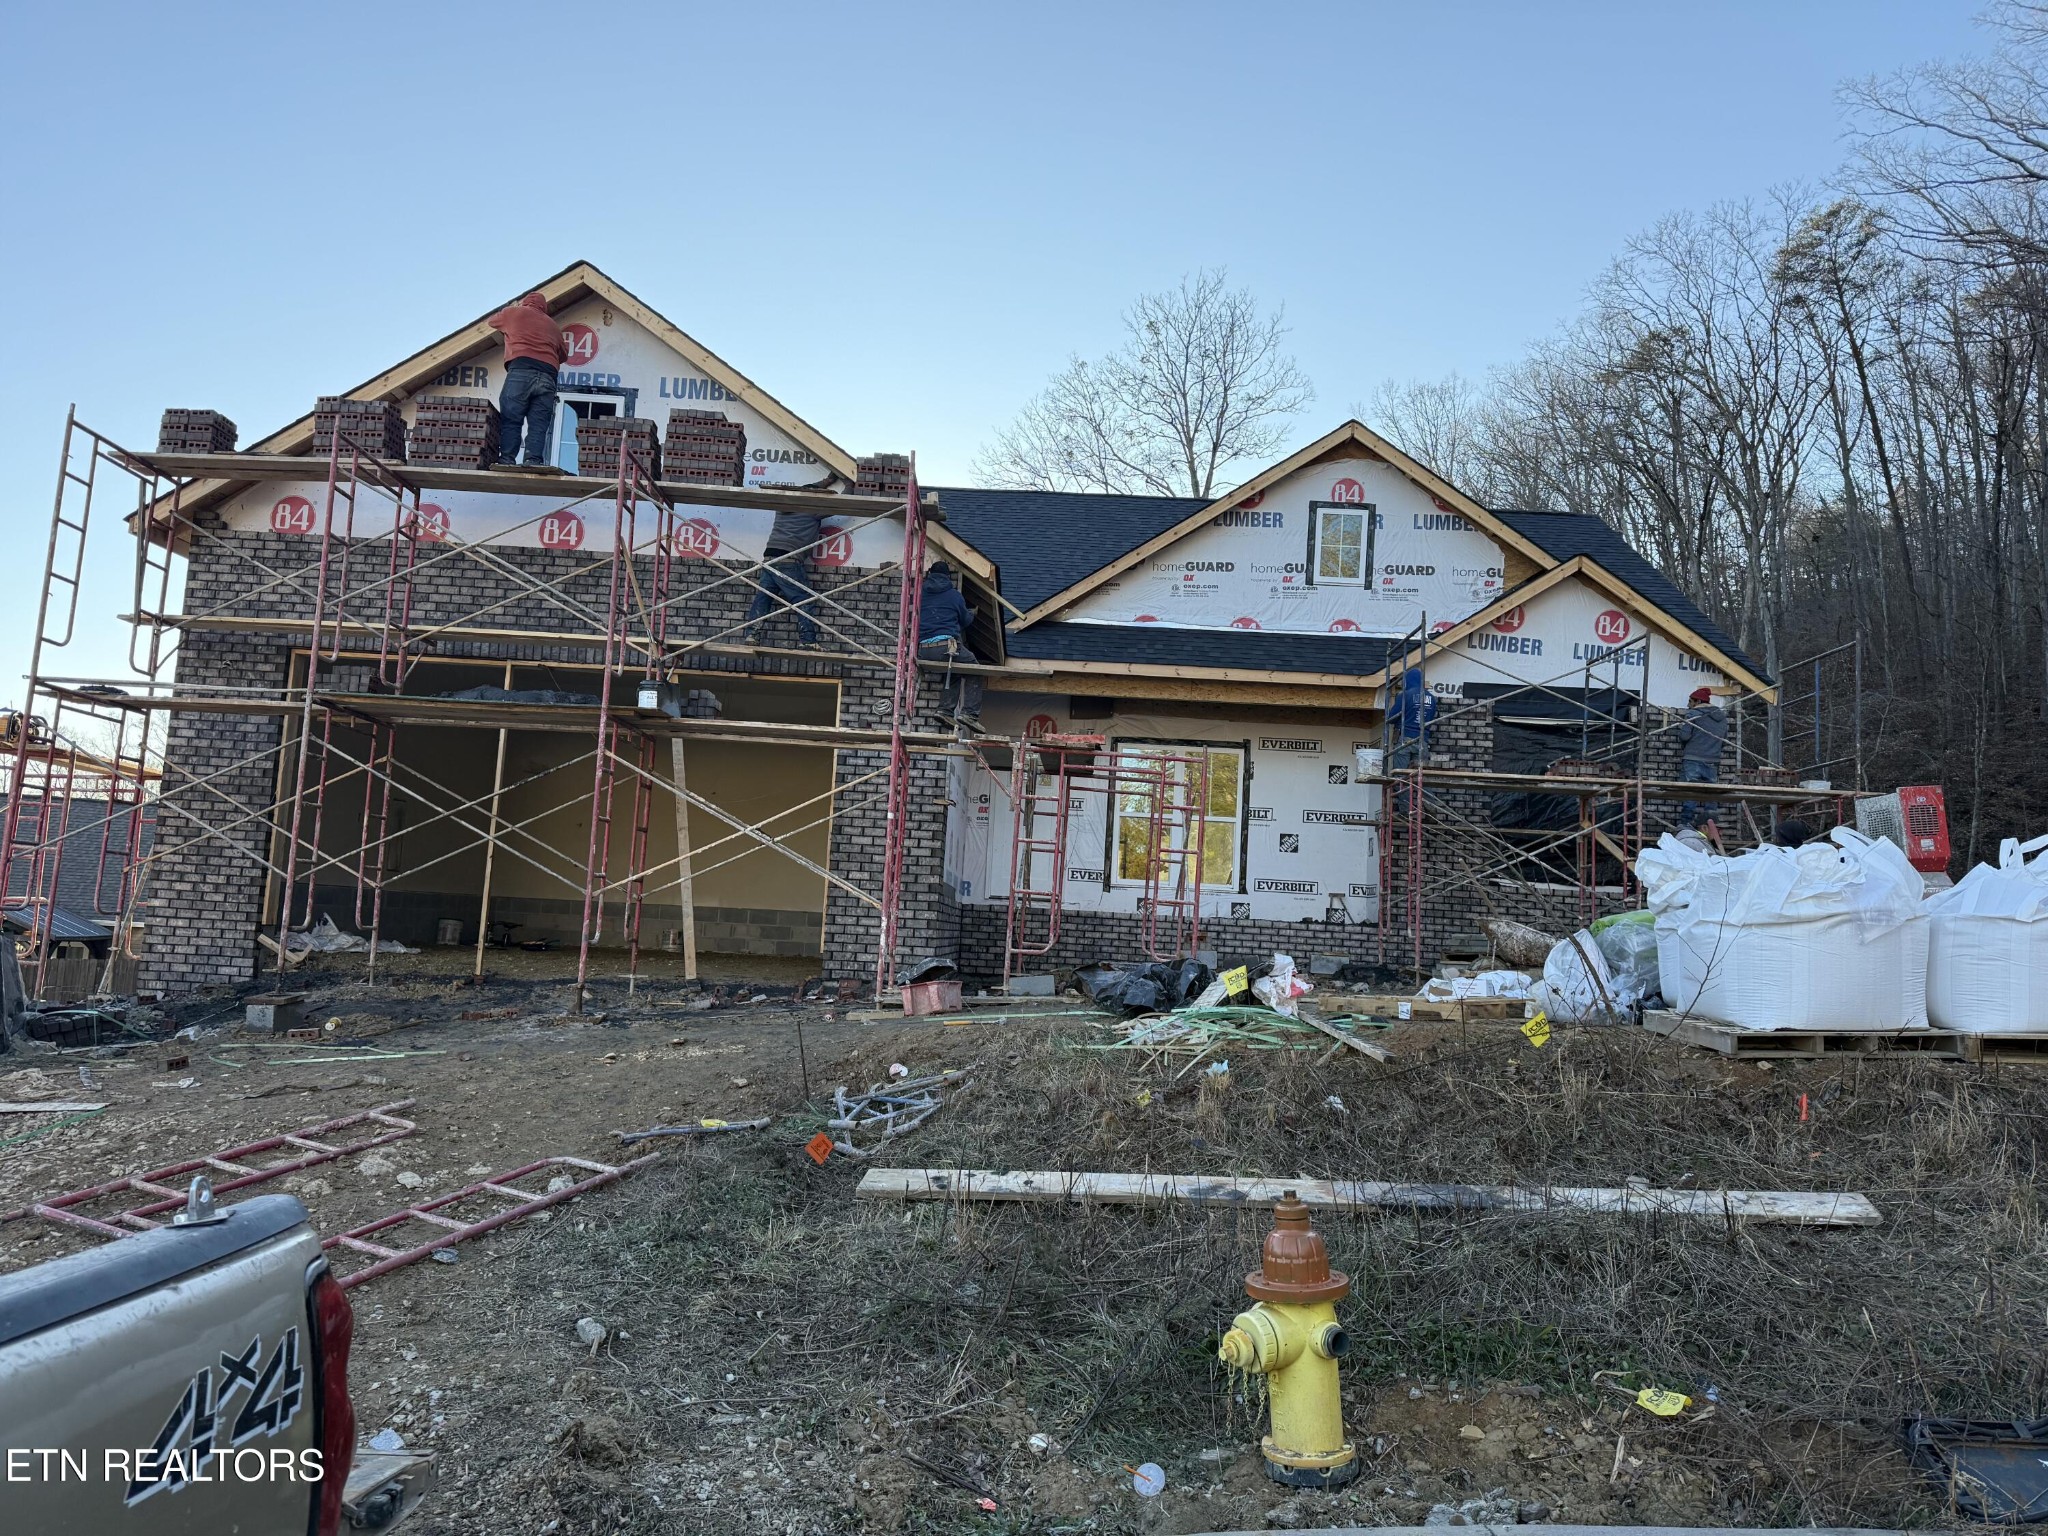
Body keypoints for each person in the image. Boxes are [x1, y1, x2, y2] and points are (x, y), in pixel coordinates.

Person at [487, 293, 566, 468]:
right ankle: (533, 460)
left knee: (512, 418)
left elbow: (492, 321)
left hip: (521, 371)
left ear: (524, 303)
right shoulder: (553, 326)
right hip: (548, 376)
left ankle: (507, 459)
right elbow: (564, 354)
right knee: (538, 424)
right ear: (544, 308)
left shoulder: (513, 312)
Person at [917, 562, 982, 728]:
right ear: (947, 577)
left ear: (930, 574)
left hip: (923, 650)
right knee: (973, 667)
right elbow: (965, 621)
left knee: (955, 670)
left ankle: (945, 711)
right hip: (946, 647)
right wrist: (971, 613)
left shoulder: (919, 593)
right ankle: (969, 714)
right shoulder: (954, 595)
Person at [744, 509, 822, 647]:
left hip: (769, 557)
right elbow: (844, 505)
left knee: (764, 598)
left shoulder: (782, 509)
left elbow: (814, 486)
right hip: (789, 559)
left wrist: (821, 485)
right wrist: (849, 486)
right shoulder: (813, 511)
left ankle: (752, 635)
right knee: (803, 600)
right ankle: (808, 640)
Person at [1676, 686, 1728, 830]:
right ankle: (1711, 826)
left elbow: (1684, 736)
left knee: (1691, 791)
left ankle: (1686, 824)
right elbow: (1724, 740)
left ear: (1698, 701)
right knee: (1710, 794)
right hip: (1713, 760)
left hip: (1693, 758)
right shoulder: (1722, 718)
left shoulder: (1693, 714)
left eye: (1690, 701)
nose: (1688, 705)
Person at [1390, 666, 1436, 771]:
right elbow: (1430, 718)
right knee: (1417, 776)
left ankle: (1400, 787)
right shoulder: (1431, 698)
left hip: (1405, 738)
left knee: (1400, 775)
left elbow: (1392, 717)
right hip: (1423, 740)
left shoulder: (1405, 695)